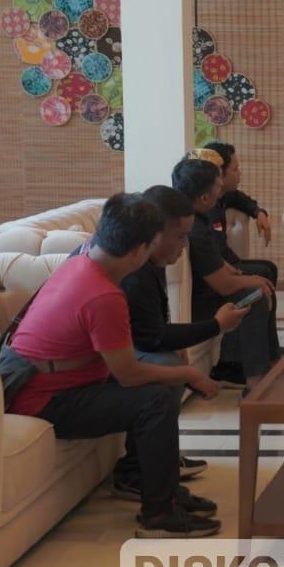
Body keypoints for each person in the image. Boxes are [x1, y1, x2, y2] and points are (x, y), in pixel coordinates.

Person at [0, 193, 222, 538]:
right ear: (139, 249)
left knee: (157, 387)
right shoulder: (103, 294)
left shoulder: (82, 260)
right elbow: (128, 374)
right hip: (43, 398)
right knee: (155, 400)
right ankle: (158, 516)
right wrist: (191, 373)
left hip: (47, 381)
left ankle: (153, 485)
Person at [107, 185, 251, 494]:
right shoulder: (133, 273)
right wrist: (216, 326)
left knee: (170, 361)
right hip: (99, 363)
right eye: (181, 236)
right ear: (153, 234)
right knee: (167, 367)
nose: (185, 246)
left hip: (118, 349)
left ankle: (158, 460)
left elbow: (155, 325)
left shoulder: (150, 261)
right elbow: (152, 339)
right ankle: (138, 469)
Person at [172, 156, 279, 395]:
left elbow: (217, 265)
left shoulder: (195, 214)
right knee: (254, 294)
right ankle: (254, 383)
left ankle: (265, 360)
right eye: (217, 187)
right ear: (204, 197)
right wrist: (254, 281)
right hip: (199, 305)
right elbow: (223, 285)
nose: (222, 191)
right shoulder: (195, 228)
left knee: (259, 279)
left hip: (204, 290)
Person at [202, 141, 278, 279]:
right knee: (264, 272)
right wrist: (237, 268)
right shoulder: (207, 207)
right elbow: (217, 253)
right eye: (235, 169)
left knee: (270, 267)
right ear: (219, 173)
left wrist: (258, 212)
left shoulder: (222, 195)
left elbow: (238, 197)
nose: (240, 173)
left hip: (226, 262)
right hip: (217, 271)